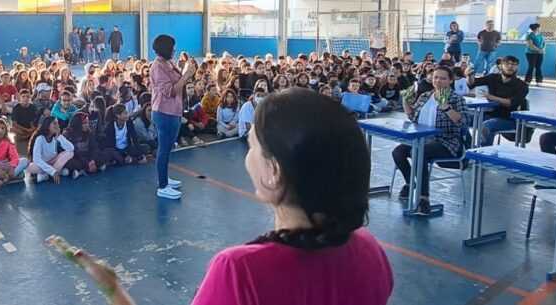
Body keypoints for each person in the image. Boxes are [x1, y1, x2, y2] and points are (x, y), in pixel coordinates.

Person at [67, 88, 393, 305]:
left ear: (274, 171)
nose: (246, 157)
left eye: (252, 146)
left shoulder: (240, 271)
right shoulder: (370, 251)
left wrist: (115, 289)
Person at [393, 66, 468, 214]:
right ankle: (410, 183)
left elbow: (463, 122)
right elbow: (413, 116)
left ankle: (423, 198)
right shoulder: (425, 96)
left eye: (443, 78)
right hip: (422, 139)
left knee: (419, 153)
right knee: (398, 152)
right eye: (435, 77)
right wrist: (405, 101)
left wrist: (445, 107)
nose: (438, 81)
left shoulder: (456, 99)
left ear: (450, 80)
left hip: (446, 141)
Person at [150, 34, 195, 200]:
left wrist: (186, 71)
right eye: (172, 46)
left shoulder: (168, 63)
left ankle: (165, 178)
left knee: (169, 147)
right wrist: (186, 75)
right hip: (164, 112)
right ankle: (162, 186)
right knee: (163, 148)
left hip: (174, 110)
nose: (175, 49)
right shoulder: (157, 67)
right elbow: (170, 91)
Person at [466, 56, 529, 146]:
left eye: (514, 64)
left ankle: (483, 155)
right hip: (488, 115)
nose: (510, 67)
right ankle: (468, 148)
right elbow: (472, 83)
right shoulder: (493, 78)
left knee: (487, 125)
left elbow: (511, 103)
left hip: (508, 119)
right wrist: (469, 75)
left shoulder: (522, 85)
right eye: (507, 64)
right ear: (500, 66)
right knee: (461, 119)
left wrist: (491, 97)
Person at [27, 116, 75, 184]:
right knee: (30, 167)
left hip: (53, 162)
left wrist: (59, 136)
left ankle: (47, 175)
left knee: (70, 153)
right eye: (54, 123)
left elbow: (71, 148)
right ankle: (55, 172)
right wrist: (52, 171)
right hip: (42, 164)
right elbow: (36, 159)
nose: (57, 126)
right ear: (47, 126)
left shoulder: (55, 137)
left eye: (57, 123)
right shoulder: (40, 138)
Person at [64, 112, 105, 179]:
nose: (87, 125)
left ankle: (81, 171)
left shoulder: (89, 132)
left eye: (87, 123)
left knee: (103, 156)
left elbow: (94, 148)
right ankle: (88, 169)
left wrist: (92, 160)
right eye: (84, 123)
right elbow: (74, 152)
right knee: (69, 163)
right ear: (78, 124)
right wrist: (87, 163)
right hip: (77, 158)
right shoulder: (68, 134)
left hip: (88, 156)